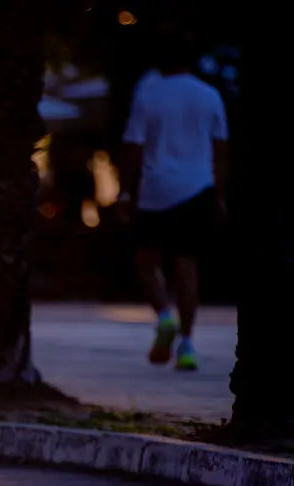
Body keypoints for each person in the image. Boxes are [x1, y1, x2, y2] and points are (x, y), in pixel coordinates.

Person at [117, 27, 228, 372]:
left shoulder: (148, 95)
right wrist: (220, 195)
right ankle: (188, 344)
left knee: (146, 260)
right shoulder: (210, 95)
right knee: (187, 265)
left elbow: (132, 148)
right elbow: (221, 151)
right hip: (198, 189)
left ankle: (164, 316)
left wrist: (125, 192)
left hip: (156, 189)